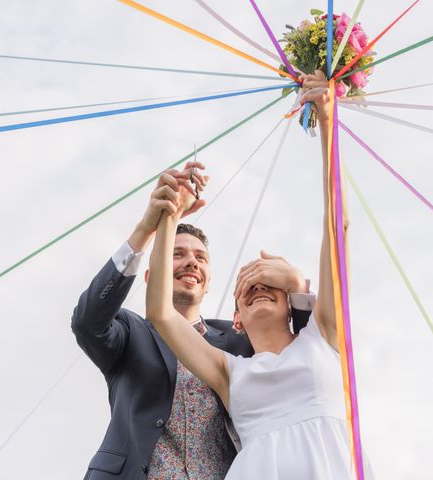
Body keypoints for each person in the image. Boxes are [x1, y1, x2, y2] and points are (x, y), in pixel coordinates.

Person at [146, 70, 358, 479]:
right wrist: (169, 217)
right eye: (247, 288)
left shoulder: (323, 336)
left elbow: (338, 230)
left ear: (290, 302)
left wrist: (329, 125)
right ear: (237, 319)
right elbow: (160, 313)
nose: (259, 287)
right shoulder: (229, 372)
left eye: (268, 284)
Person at [71, 164, 316, 480]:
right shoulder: (129, 334)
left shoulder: (238, 341)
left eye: (201, 258)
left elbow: (308, 345)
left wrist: (296, 286)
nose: (191, 262)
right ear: (150, 276)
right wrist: (147, 228)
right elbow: (87, 321)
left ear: (208, 281)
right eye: (178, 254)